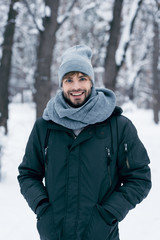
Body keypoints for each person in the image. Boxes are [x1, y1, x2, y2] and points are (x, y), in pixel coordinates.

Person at [17, 45, 151, 240]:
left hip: (101, 234)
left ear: (92, 82)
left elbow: (140, 177)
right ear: (61, 84)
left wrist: (107, 215)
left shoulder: (118, 126)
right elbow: (28, 174)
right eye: (69, 80)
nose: (76, 86)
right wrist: (43, 209)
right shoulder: (44, 127)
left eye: (82, 78)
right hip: (56, 234)